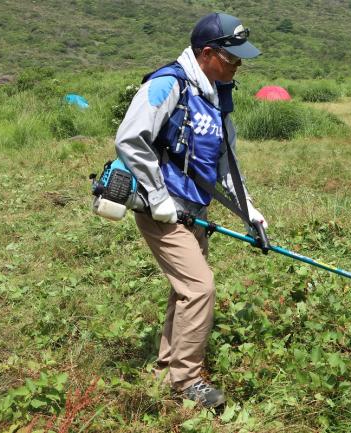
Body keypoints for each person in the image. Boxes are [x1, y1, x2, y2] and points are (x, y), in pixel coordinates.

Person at [114, 12, 266, 407]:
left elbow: (225, 162)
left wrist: (248, 209)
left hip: (194, 210)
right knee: (200, 288)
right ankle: (187, 381)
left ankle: (168, 368)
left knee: (184, 291)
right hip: (162, 211)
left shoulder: (218, 94)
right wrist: (159, 198)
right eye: (232, 58)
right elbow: (130, 139)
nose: (238, 66)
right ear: (207, 53)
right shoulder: (168, 85)